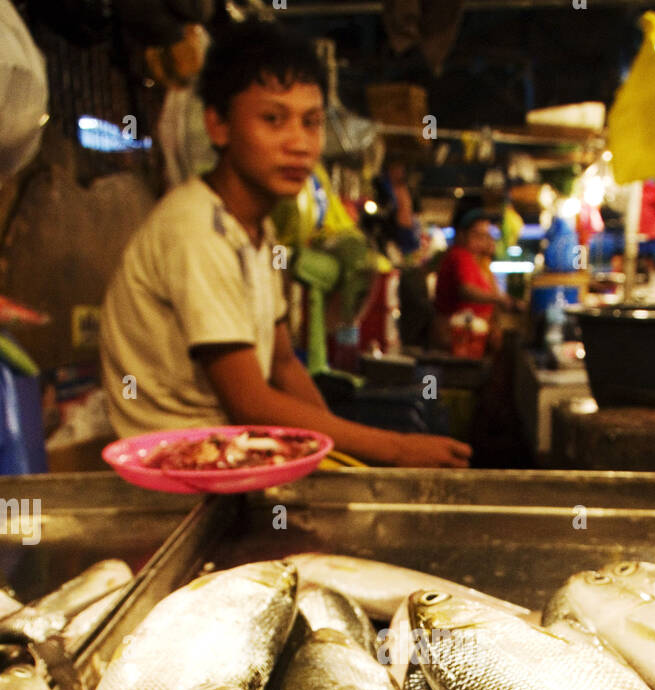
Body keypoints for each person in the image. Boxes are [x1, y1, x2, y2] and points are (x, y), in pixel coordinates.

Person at [99, 20, 470, 469]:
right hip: (183, 475)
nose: (299, 144)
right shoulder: (196, 229)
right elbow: (251, 402)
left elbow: (283, 366)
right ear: (218, 125)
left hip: (234, 459)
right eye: (273, 119)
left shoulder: (257, 230)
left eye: (311, 123)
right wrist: (396, 449)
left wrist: (336, 451)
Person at [431, 209, 514, 351]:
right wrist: (499, 299)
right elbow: (466, 290)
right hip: (459, 337)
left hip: (474, 338)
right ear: (462, 235)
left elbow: (491, 291)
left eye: (486, 235)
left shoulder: (480, 262)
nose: (483, 240)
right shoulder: (460, 256)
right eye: (478, 235)